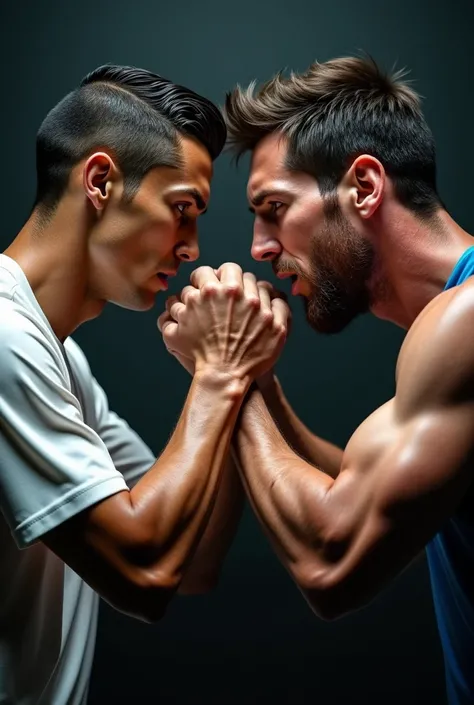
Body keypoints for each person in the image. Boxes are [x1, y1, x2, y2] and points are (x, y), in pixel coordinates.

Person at [160, 57, 474, 705]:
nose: (260, 248)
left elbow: (332, 561)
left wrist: (225, 367)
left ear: (363, 185)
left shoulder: (466, 321)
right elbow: (369, 497)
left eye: (274, 208)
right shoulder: (448, 325)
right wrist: (259, 385)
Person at [0, 64, 290, 705]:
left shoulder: (62, 360)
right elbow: (145, 572)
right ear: (99, 181)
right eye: (181, 210)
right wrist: (217, 373)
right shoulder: (4, 338)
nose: (191, 248)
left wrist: (241, 376)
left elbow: (190, 561)